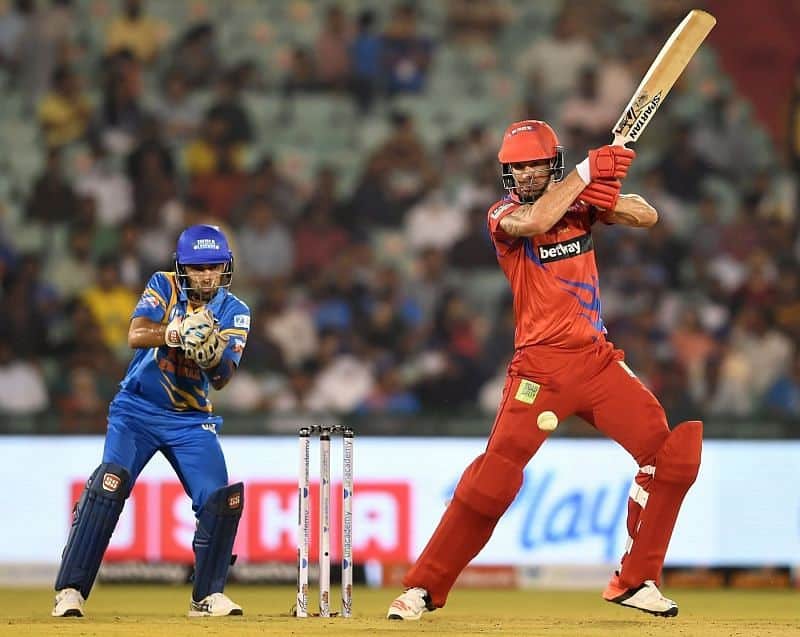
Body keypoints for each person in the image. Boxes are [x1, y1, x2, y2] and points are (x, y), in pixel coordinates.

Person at [387, 120, 702, 620]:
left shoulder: (577, 204)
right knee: (492, 480)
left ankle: (636, 580)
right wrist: (585, 173)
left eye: (535, 164)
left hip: (598, 363)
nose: (527, 174)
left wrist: (603, 194)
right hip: (539, 371)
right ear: (506, 173)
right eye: (518, 167)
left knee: (672, 457)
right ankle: (423, 588)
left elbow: (648, 215)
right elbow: (535, 222)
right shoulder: (502, 214)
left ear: (551, 163)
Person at [52, 225, 251, 618]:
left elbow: (223, 378)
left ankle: (207, 596)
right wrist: (176, 332)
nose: (206, 276)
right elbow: (136, 333)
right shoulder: (164, 285)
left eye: (213, 267)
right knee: (109, 485)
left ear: (226, 267)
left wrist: (212, 354)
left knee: (220, 500)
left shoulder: (236, 310)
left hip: (190, 420)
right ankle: (70, 590)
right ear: (182, 268)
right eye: (197, 268)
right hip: (137, 410)